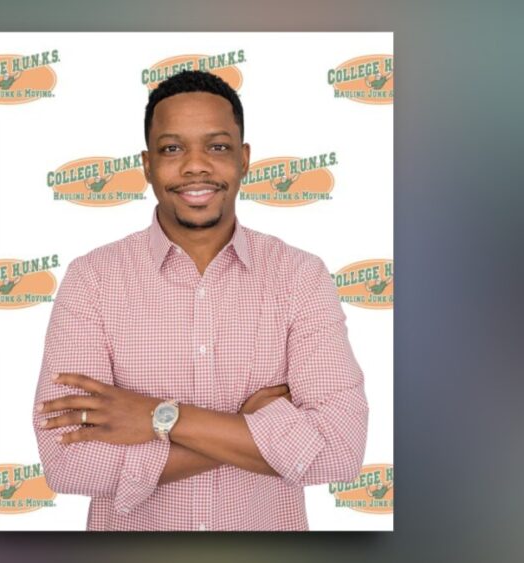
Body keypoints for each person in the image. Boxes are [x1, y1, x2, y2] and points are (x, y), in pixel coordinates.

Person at [33, 70, 368, 531]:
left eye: (217, 146)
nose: (196, 166)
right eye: (173, 149)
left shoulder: (300, 277)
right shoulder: (92, 281)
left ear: (244, 159)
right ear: (147, 164)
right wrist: (246, 428)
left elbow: (339, 452)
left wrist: (157, 417)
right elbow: (69, 464)